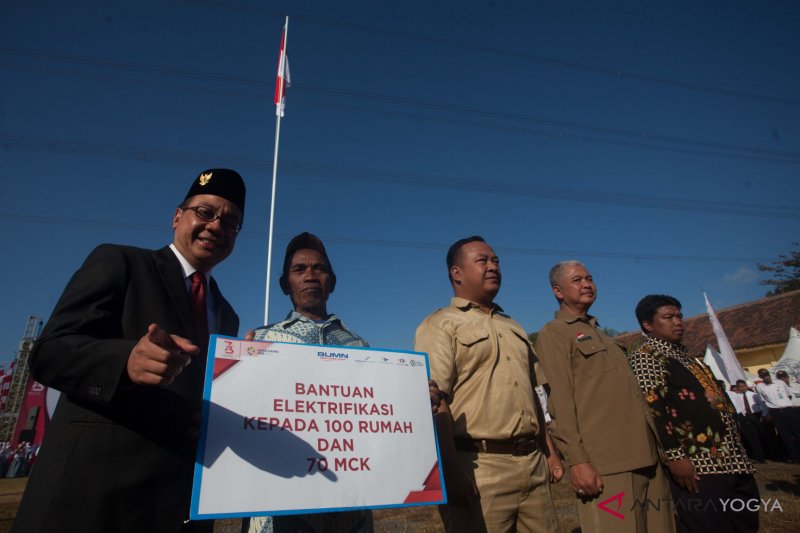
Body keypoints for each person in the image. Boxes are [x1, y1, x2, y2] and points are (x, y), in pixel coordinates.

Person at [12, 169, 246, 533]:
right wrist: (125, 361)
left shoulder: (227, 313)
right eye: (205, 212)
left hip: (177, 509)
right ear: (176, 216)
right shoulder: (120, 263)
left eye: (230, 221)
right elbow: (49, 352)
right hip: (92, 504)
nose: (216, 226)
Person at [414, 236, 559, 533]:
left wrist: (550, 451)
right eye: (482, 260)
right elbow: (433, 400)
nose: (493, 266)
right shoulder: (441, 324)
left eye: (496, 261)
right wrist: (450, 471)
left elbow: (535, 395)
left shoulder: (513, 326)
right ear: (457, 273)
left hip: (533, 463)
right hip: (478, 467)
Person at [245, 232, 372, 533]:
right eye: (299, 269)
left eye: (320, 268)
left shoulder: (362, 348)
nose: (311, 276)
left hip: (348, 512)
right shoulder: (259, 341)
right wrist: (235, 370)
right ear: (284, 284)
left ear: (332, 281)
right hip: (277, 513)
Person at [536, 261, 673, 533]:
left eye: (589, 278)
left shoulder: (604, 336)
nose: (587, 284)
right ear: (558, 291)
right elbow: (560, 403)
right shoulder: (554, 334)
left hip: (649, 457)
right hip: (608, 464)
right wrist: (578, 461)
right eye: (577, 280)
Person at [629, 294, 758, 533]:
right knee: (708, 525)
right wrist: (676, 456)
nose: (678, 322)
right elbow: (654, 408)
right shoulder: (647, 356)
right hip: (699, 464)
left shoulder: (685, 355)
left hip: (733, 458)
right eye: (668, 317)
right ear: (648, 325)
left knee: (744, 522)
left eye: (679, 316)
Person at [755, 368, 800, 462]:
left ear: (769, 375)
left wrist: (784, 404)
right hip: (775, 412)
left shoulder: (780, 382)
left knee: (797, 432)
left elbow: (789, 395)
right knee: (785, 435)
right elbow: (763, 401)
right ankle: (794, 457)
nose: (766, 377)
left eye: (767, 374)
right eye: (763, 375)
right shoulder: (760, 386)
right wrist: (766, 414)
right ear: (760, 377)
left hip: (788, 409)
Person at [727, 380, 766, 463]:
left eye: (744, 386)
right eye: (740, 386)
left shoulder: (753, 395)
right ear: (738, 387)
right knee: (752, 436)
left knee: (762, 434)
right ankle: (758, 456)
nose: (743, 388)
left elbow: (761, 404)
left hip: (756, 415)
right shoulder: (736, 396)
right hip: (744, 417)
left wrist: (763, 415)